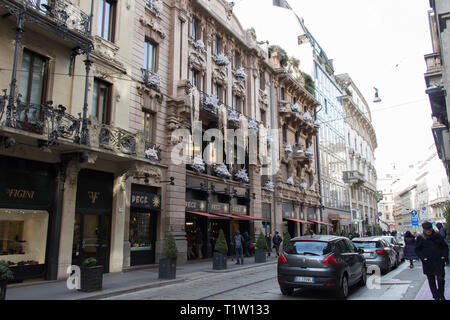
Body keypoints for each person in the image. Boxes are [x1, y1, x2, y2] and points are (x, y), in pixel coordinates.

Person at [415, 221, 449, 300]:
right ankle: (436, 296)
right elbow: (417, 250)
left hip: (438, 261)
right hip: (428, 262)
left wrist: (444, 256)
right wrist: (423, 258)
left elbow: (445, 246)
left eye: (429, 229)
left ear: (432, 228)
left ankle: (441, 294)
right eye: (426, 229)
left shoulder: (437, 236)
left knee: (440, 279)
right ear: (424, 229)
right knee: (431, 280)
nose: (428, 231)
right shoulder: (421, 238)